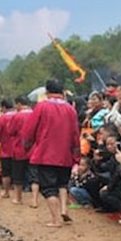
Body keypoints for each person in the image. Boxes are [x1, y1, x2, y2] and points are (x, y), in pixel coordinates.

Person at [22, 79, 80, 227]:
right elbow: (75, 133)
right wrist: (76, 154)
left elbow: (30, 129)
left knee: (49, 188)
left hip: (46, 153)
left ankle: (55, 220)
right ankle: (64, 209)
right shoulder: (70, 109)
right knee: (62, 183)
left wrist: (27, 145)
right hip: (65, 154)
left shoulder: (42, 107)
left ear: (47, 92)